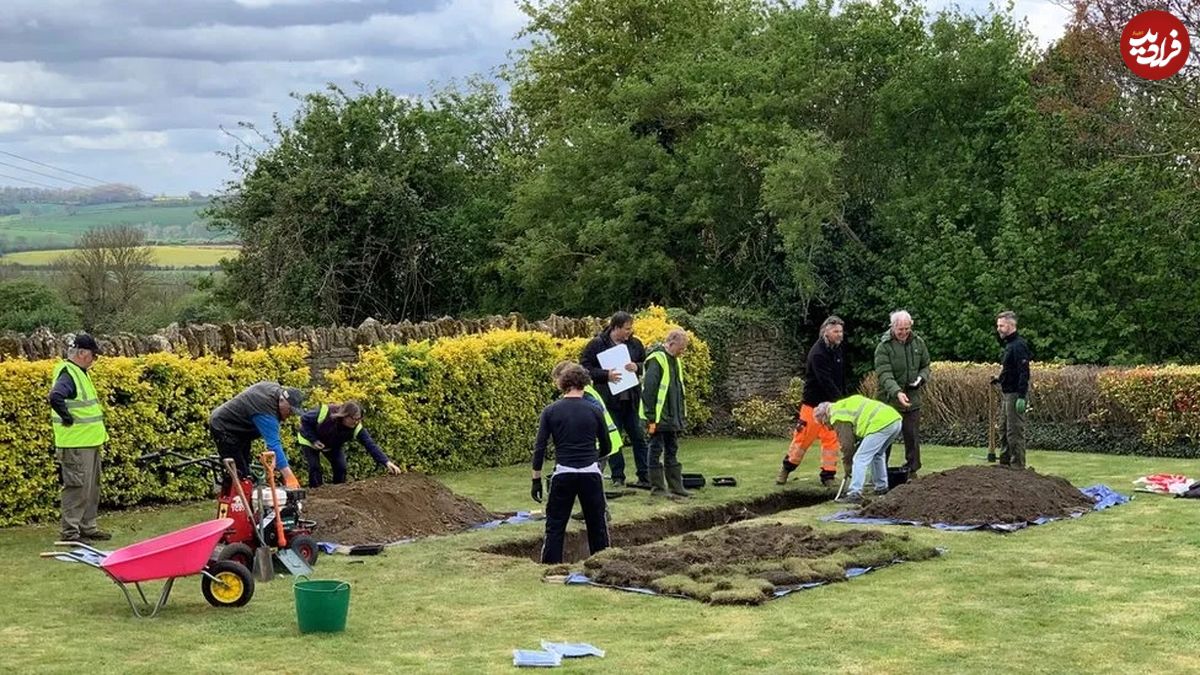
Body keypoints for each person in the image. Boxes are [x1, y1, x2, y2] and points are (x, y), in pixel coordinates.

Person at [531, 362, 612, 564]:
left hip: (564, 472)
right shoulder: (595, 411)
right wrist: (592, 458)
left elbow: (539, 448)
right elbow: (607, 445)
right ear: (584, 383)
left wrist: (536, 480)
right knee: (597, 524)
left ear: (563, 384)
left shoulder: (550, 411)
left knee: (556, 524)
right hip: (590, 473)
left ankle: (550, 566)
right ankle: (601, 564)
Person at [48, 333, 110, 542]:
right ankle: (71, 533)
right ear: (83, 353)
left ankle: (87, 527)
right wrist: (67, 418)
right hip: (75, 443)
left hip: (88, 442)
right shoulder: (68, 373)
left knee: (91, 489)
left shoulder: (79, 372)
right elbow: (56, 396)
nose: (95, 359)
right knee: (77, 488)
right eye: (94, 355)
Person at [580, 311, 649, 488]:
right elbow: (585, 368)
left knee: (639, 438)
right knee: (614, 440)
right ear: (616, 327)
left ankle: (645, 475)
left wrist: (637, 367)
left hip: (631, 399)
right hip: (609, 400)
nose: (629, 332)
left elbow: (646, 363)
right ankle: (618, 476)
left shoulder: (635, 344)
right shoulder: (596, 344)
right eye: (626, 329)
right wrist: (606, 375)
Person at [778, 316, 847, 486]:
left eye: (841, 331)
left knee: (831, 440)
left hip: (831, 405)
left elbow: (840, 378)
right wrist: (841, 402)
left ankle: (828, 476)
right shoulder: (817, 353)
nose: (840, 335)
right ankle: (786, 469)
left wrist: (842, 399)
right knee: (802, 440)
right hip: (813, 404)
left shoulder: (837, 350)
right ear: (826, 332)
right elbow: (826, 381)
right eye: (836, 331)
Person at [209, 381, 305, 488]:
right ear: (282, 400)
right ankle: (236, 502)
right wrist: (289, 477)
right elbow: (274, 445)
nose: (290, 415)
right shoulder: (265, 409)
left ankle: (244, 500)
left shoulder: (276, 391)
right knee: (240, 476)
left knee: (244, 473)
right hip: (225, 428)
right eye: (290, 410)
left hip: (240, 433)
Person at [873, 310, 932, 477]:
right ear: (893, 327)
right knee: (885, 438)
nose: (904, 332)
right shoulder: (883, 347)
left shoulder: (918, 343)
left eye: (907, 328)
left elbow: (926, 365)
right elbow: (885, 374)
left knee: (912, 436)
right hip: (889, 400)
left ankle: (912, 469)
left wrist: (922, 378)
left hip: (913, 397)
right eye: (900, 329)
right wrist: (897, 392)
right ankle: (879, 473)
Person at [814, 394, 902, 504]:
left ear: (825, 416)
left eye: (824, 424)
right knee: (878, 454)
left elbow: (847, 446)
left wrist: (848, 465)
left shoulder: (838, 417)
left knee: (860, 458)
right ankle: (881, 487)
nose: (827, 427)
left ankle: (855, 493)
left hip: (880, 423)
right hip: (895, 420)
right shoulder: (842, 406)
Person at [296, 401, 402, 487]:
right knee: (315, 468)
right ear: (345, 415)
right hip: (309, 440)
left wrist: (387, 462)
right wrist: (314, 440)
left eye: (359, 419)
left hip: (332, 445)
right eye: (354, 419)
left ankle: (338, 493)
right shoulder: (326, 412)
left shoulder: (357, 427)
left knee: (341, 467)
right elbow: (304, 420)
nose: (356, 422)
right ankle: (316, 495)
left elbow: (370, 445)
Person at [641, 329, 691, 498]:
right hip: (657, 417)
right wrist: (651, 419)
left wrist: (679, 416)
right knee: (655, 449)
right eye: (681, 348)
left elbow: (676, 390)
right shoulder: (656, 360)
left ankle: (677, 487)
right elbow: (649, 391)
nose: (682, 352)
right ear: (671, 343)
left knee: (672, 449)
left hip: (671, 417)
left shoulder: (674, 360)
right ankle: (658, 489)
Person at [994, 311, 1032, 469]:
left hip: (1016, 394)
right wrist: (999, 379)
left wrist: (1022, 396)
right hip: (1007, 392)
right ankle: (1005, 463)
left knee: (1014, 431)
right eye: (998, 325)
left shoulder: (1019, 345)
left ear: (1010, 326)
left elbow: (1024, 372)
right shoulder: (1009, 345)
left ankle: (1017, 466)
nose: (998, 329)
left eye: (1001, 326)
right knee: (1003, 428)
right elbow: (1009, 369)